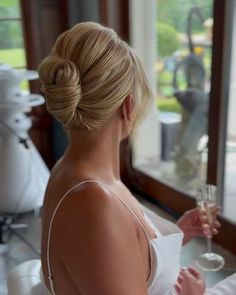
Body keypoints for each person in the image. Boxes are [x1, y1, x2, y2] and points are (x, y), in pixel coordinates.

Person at [38, 22, 235, 295]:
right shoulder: (94, 202)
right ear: (128, 106)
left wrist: (174, 236)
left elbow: (108, 261)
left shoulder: (71, 170)